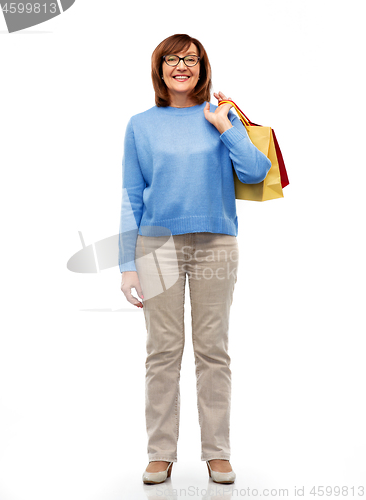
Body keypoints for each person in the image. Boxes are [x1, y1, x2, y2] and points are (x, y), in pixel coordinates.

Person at [118, 34, 271, 484]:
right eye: (172, 59)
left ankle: (217, 452)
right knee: (162, 352)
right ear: (159, 68)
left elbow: (256, 171)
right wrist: (128, 264)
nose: (181, 66)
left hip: (216, 244)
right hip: (156, 246)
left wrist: (227, 127)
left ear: (203, 68)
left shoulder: (221, 117)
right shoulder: (140, 125)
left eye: (191, 59)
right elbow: (131, 195)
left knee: (212, 351)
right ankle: (160, 451)